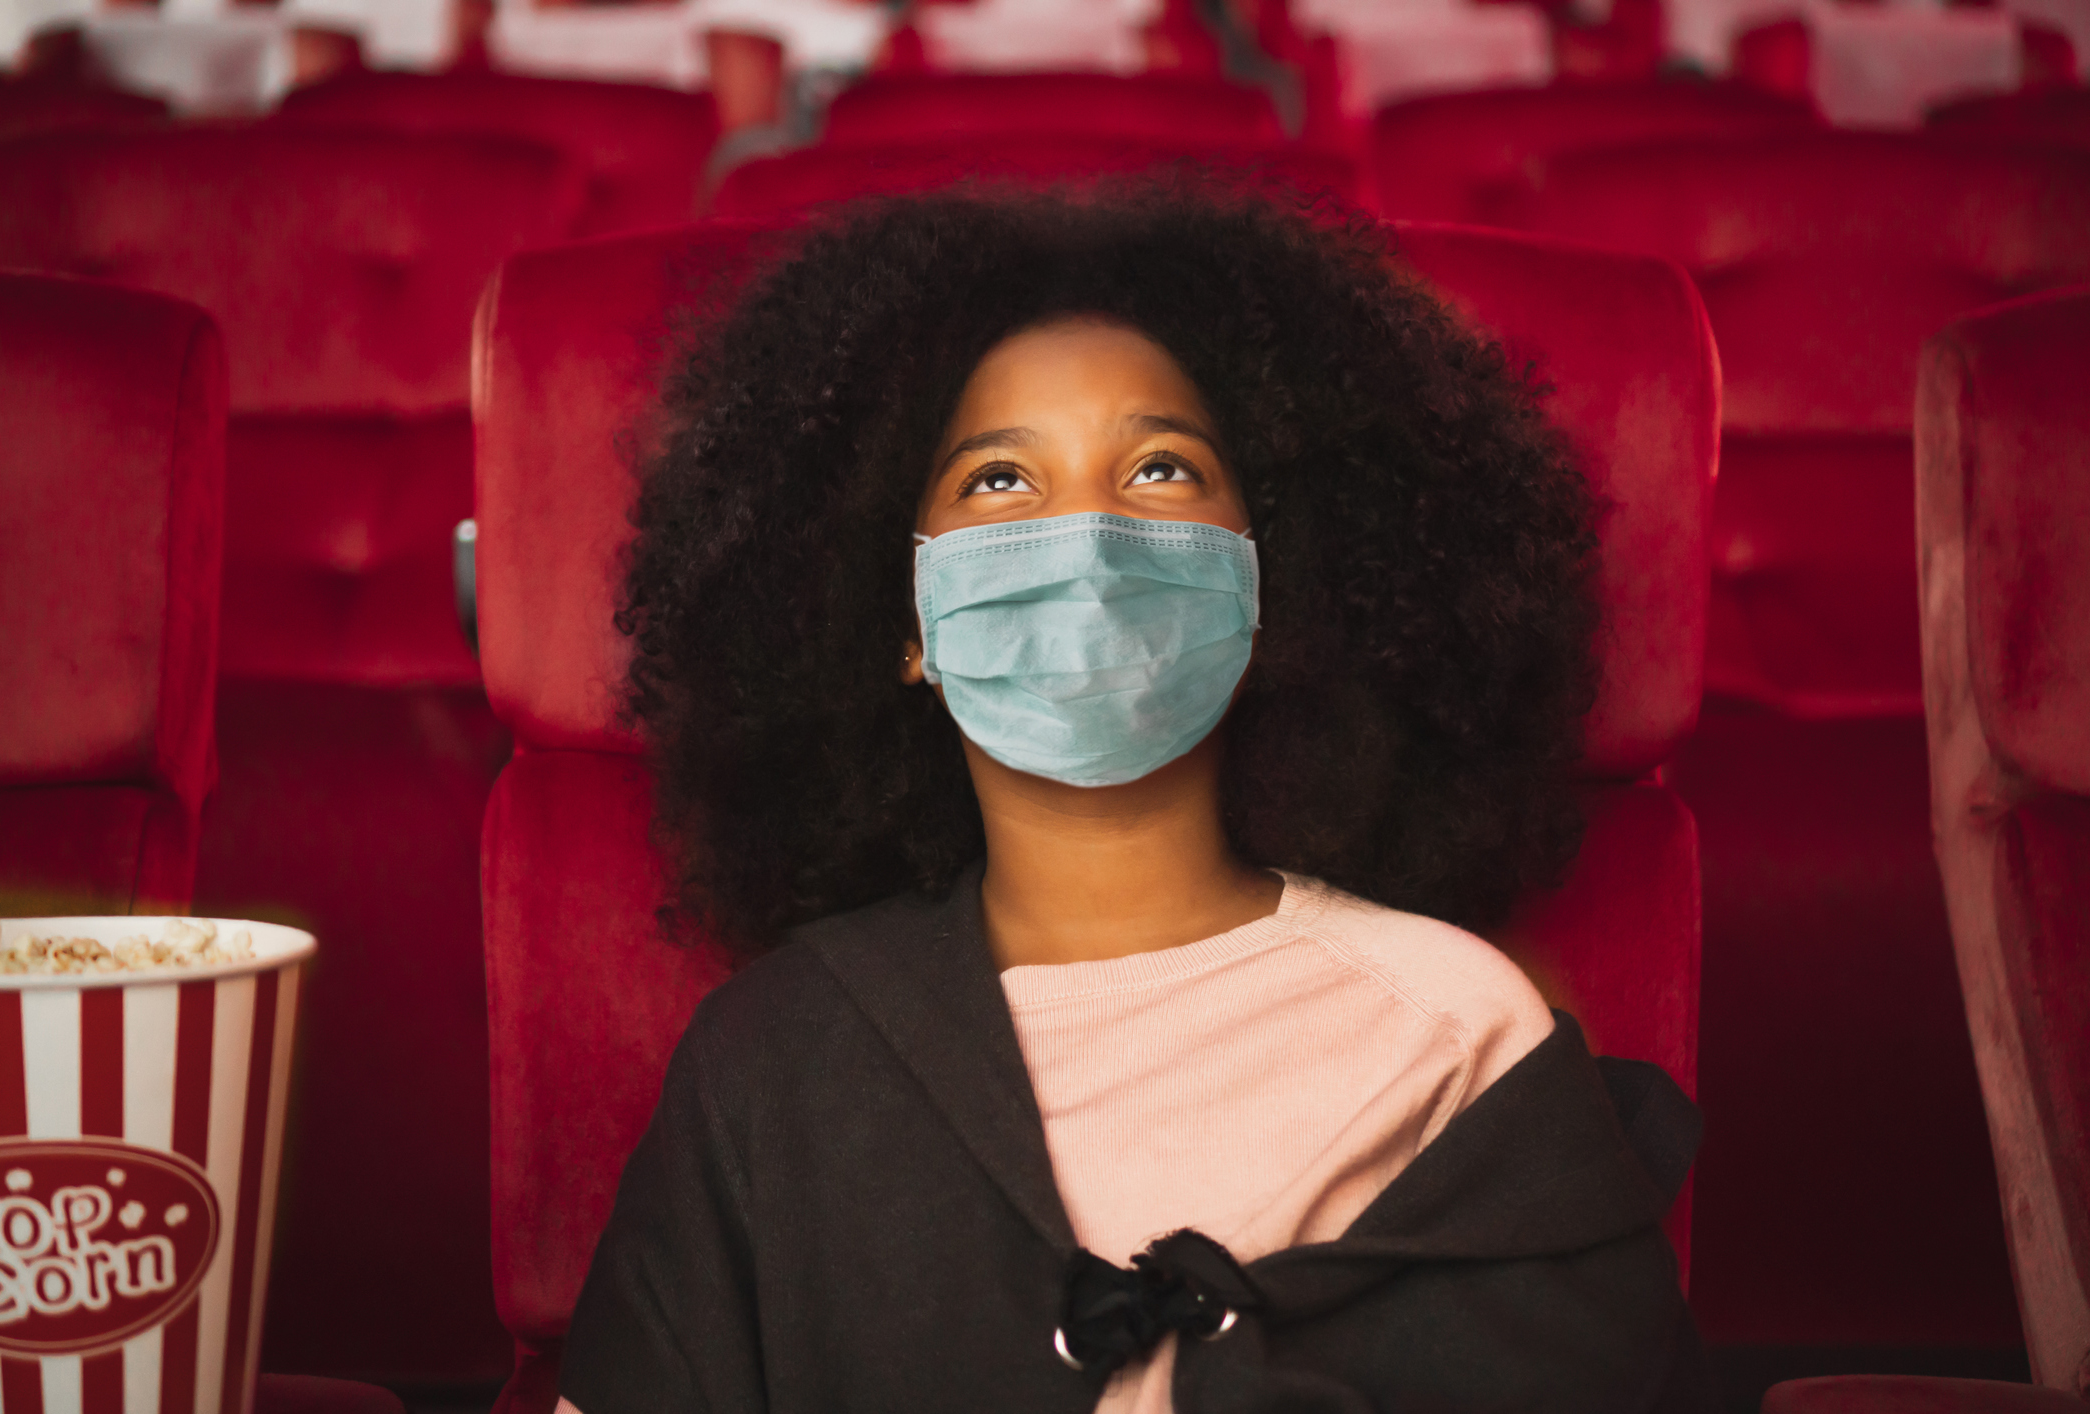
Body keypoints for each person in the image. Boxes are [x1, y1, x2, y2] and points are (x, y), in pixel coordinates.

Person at [559, 180, 1706, 1414]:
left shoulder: (1455, 1029)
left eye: (1162, 469)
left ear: (1276, 590)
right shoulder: (772, 1060)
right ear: (900, 621)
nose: (1090, 542)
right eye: (999, 484)